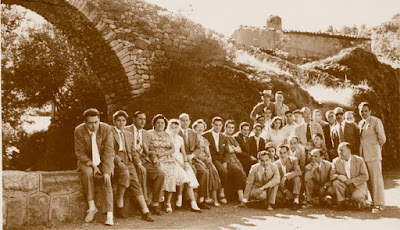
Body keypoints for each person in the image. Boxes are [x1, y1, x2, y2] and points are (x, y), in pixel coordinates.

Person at [74, 108, 114, 225]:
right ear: (85, 122)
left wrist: (106, 171)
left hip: (103, 161)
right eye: (90, 123)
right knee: (87, 173)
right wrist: (92, 164)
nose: (93, 126)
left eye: (96, 122)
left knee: (107, 178)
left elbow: (109, 152)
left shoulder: (106, 129)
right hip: (87, 161)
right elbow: (79, 152)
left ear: (99, 120)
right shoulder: (79, 130)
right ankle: (92, 207)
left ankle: (110, 215)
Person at [111, 110, 153, 222]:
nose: (121, 123)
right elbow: (108, 150)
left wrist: (139, 164)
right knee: (125, 175)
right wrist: (118, 161)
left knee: (135, 182)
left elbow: (133, 151)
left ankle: (145, 211)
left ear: (126, 122)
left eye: (123, 121)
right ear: (114, 121)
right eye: (118, 120)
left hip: (128, 160)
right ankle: (119, 202)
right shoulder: (110, 132)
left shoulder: (128, 134)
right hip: (115, 160)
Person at [124, 111, 165, 216]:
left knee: (160, 173)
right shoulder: (126, 130)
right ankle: (142, 206)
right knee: (140, 174)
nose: (143, 121)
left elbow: (151, 150)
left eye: (144, 119)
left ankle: (154, 203)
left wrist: (154, 158)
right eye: (140, 119)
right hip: (129, 160)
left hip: (144, 160)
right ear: (134, 119)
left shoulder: (146, 134)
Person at [166, 119, 202, 213]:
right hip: (171, 159)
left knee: (189, 175)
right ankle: (177, 197)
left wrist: (185, 162)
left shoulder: (179, 138)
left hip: (181, 158)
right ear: (169, 127)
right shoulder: (167, 137)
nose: (174, 129)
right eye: (172, 127)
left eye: (176, 127)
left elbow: (184, 152)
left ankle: (193, 203)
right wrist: (179, 162)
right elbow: (169, 152)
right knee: (183, 176)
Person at [358, 102, 386, 213]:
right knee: (368, 180)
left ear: (370, 111)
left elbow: (382, 139)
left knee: (376, 180)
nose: (364, 113)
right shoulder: (360, 123)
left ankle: (379, 204)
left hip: (373, 155)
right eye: (361, 111)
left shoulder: (376, 121)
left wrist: (375, 149)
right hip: (363, 155)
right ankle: (373, 202)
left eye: (366, 110)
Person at [178, 113, 210, 209]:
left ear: (189, 121)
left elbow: (199, 147)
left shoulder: (193, 133)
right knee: (192, 172)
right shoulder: (176, 132)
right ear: (179, 121)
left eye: (187, 120)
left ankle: (201, 199)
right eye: (183, 120)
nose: (185, 122)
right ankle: (188, 200)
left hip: (192, 158)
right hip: (180, 159)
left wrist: (192, 155)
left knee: (204, 172)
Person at [330, 142, 369, 211]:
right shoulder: (336, 161)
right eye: (338, 150)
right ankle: (342, 203)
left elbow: (365, 176)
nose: (339, 152)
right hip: (344, 184)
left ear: (349, 151)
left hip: (357, 185)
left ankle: (360, 201)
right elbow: (331, 175)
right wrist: (339, 176)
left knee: (357, 197)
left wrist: (351, 181)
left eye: (342, 150)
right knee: (336, 183)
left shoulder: (359, 160)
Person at [192, 119, 222, 207]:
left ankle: (212, 197)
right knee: (206, 172)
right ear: (195, 127)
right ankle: (204, 197)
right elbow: (192, 151)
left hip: (205, 159)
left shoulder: (204, 139)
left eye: (202, 127)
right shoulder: (192, 137)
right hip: (196, 158)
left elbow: (208, 153)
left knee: (214, 172)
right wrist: (201, 158)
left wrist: (209, 159)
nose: (200, 128)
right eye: (198, 127)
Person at [203, 117, 229, 204]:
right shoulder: (206, 135)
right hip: (212, 159)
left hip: (222, 159)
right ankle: (222, 192)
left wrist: (225, 161)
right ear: (212, 125)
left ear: (222, 126)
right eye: (216, 125)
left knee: (233, 170)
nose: (218, 127)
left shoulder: (224, 137)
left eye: (219, 125)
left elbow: (226, 151)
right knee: (223, 171)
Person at [222, 120, 247, 202]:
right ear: (225, 127)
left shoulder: (232, 138)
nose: (230, 129)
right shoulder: (222, 137)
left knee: (243, 173)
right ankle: (241, 196)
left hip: (235, 159)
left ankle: (244, 195)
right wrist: (233, 148)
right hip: (227, 160)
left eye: (232, 128)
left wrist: (233, 148)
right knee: (238, 171)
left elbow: (239, 150)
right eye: (229, 127)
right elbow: (228, 150)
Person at [274, 144, 302, 209]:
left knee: (297, 178)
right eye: (280, 153)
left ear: (288, 153)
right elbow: (277, 180)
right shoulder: (275, 164)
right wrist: (285, 191)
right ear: (277, 154)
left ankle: (296, 200)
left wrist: (286, 176)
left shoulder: (294, 160)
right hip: (282, 186)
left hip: (292, 185)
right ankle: (288, 200)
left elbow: (299, 172)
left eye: (284, 152)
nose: (283, 155)